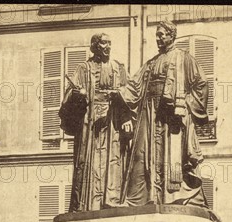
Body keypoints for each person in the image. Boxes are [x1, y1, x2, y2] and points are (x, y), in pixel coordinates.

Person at [117, 20, 210, 208]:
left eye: (161, 34)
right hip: (149, 111)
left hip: (171, 115)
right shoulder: (151, 63)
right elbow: (134, 85)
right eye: (157, 35)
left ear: (171, 35)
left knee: (172, 157)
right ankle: (142, 199)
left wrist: (185, 104)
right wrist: (117, 91)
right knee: (141, 155)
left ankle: (173, 198)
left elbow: (201, 84)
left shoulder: (184, 58)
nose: (158, 38)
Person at [59, 33, 131, 211]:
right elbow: (68, 96)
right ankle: (87, 205)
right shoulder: (83, 68)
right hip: (89, 123)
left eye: (109, 43)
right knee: (89, 162)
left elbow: (130, 93)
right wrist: (78, 95)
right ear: (95, 45)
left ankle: (112, 201)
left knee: (113, 161)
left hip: (113, 121)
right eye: (104, 43)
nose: (107, 47)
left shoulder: (118, 67)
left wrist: (126, 117)